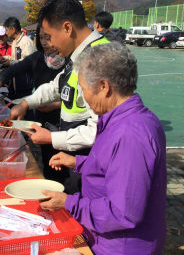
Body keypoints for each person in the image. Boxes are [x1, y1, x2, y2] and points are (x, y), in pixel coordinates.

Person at [40, 42, 166, 255]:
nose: (84, 97)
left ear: (104, 86)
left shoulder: (130, 134)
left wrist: (69, 202)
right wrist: (78, 162)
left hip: (120, 247)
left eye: (83, 88)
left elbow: (124, 212)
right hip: (103, 237)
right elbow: (116, 169)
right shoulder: (117, 120)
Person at [10, 0, 110, 194]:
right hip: (72, 150)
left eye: (50, 36)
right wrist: (26, 103)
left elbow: (98, 130)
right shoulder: (79, 53)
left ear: (67, 28)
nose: (50, 44)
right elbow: (57, 86)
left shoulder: (100, 57)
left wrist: (51, 139)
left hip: (88, 158)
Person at [0, 23, 65, 180]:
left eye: (47, 38)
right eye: (41, 37)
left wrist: (56, 105)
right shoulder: (37, 58)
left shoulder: (69, 61)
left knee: (63, 166)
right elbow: (11, 71)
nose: (43, 42)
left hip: (64, 121)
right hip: (43, 118)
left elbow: (77, 98)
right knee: (49, 161)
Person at [3, 17, 36, 100]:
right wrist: (5, 58)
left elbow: (28, 62)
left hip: (24, 84)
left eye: (6, 30)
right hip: (15, 83)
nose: (6, 33)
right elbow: (15, 58)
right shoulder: (15, 41)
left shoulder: (26, 41)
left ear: (13, 29)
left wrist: (10, 63)